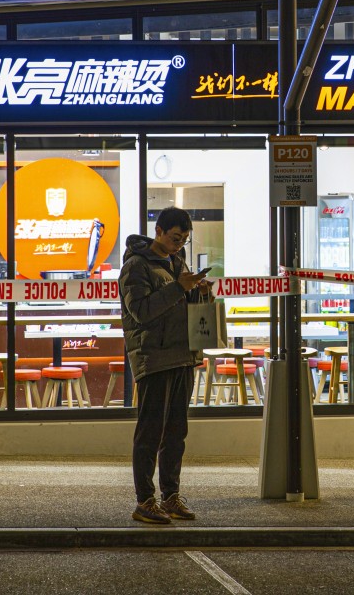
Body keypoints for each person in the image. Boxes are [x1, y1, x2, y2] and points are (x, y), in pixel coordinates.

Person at [119, 207, 209, 524]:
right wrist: (177, 288)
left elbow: (177, 306)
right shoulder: (136, 266)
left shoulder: (177, 263)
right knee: (151, 433)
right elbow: (141, 311)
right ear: (159, 231)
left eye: (184, 240)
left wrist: (199, 294)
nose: (179, 245)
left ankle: (170, 496)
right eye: (174, 238)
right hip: (153, 358)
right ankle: (145, 500)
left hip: (182, 355)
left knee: (175, 433)